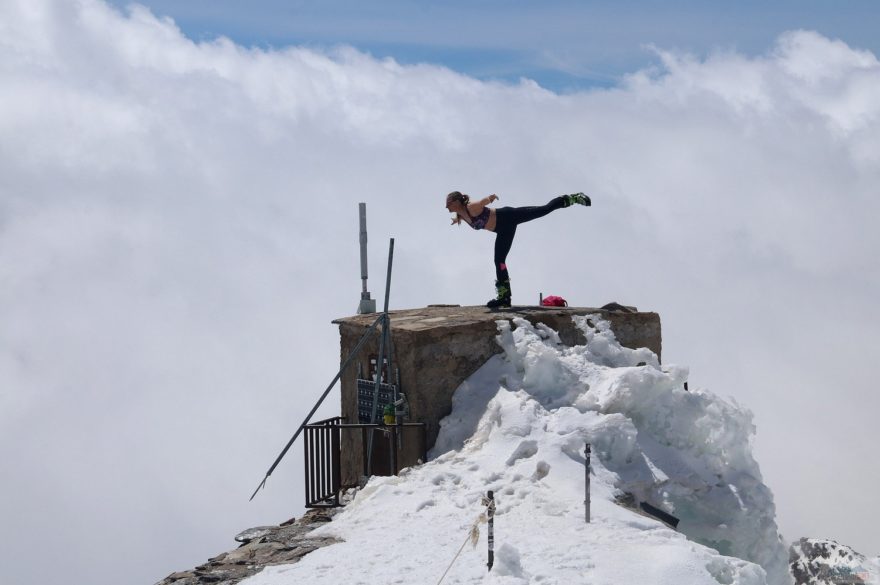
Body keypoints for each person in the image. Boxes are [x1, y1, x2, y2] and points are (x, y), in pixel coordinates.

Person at [445, 191, 591, 308]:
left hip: (509, 217)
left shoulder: (471, 207)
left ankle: (571, 198)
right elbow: (465, 219)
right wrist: (456, 220)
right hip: (502, 231)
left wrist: (490, 198)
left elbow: (482, 202)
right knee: (499, 261)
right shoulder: (461, 214)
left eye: (448, 202)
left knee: (543, 210)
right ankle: (504, 297)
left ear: (457, 201)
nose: (446, 206)